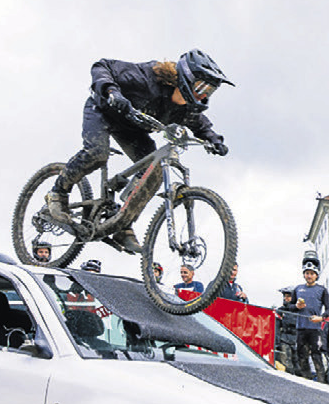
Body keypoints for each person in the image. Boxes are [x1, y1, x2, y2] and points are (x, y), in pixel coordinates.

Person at [46, 50, 232, 254]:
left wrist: (214, 140)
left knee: (154, 170)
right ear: (188, 77)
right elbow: (102, 66)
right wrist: (112, 92)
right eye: (202, 87)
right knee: (97, 153)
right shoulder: (146, 78)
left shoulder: (186, 109)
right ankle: (58, 193)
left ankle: (122, 223)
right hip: (104, 111)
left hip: (132, 129)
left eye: (210, 91)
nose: (205, 94)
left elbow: (200, 124)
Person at [292, 263, 329, 382]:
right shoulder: (298, 288)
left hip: (315, 328)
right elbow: (290, 307)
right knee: (302, 355)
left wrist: (321, 318)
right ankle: (306, 379)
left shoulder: (322, 290)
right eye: (307, 273)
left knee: (316, 355)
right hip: (301, 327)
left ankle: (321, 382)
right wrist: (296, 306)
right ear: (304, 275)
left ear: (316, 275)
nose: (309, 276)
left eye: (312, 274)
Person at [273, 288, 300, 374]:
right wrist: (276, 343)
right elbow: (276, 327)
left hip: (297, 340)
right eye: (285, 296)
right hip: (284, 339)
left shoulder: (300, 311)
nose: (286, 298)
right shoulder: (280, 310)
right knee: (287, 364)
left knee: (298, 365)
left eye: (289, 296)